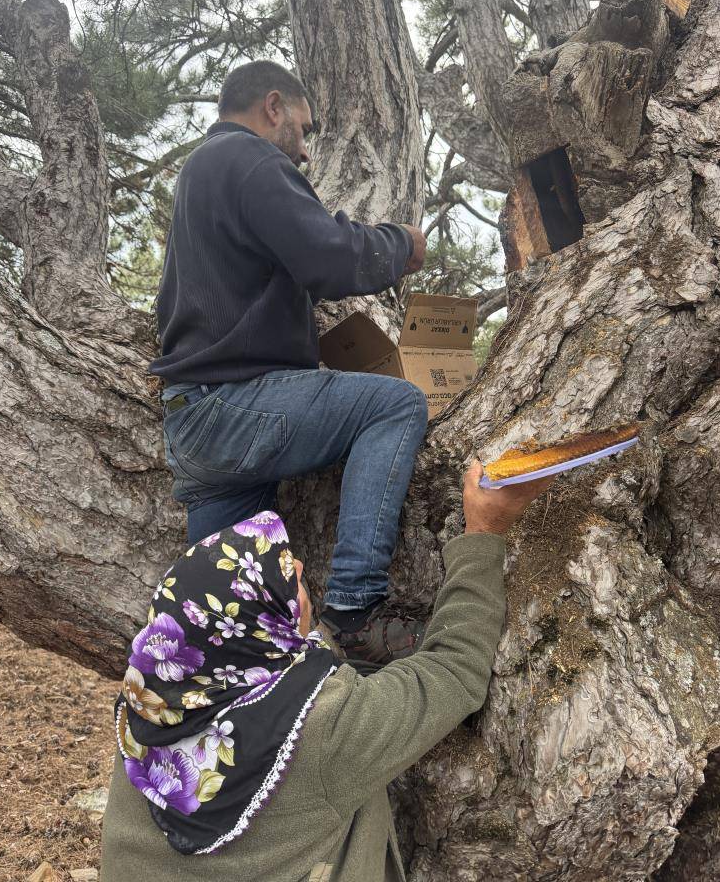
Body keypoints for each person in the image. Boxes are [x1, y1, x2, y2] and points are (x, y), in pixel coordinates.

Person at [100, 462, 551, 882]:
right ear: (269, 634)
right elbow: (454, 671)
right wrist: (484, 532)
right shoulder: (322, 731)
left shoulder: (149, 698)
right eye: (285, 578)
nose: (298, 565)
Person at [148, 59, 428, 667]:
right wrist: (400, 243)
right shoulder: (247, 158)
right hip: (234, 404)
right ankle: (354, 611)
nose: (304, 151)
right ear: (272, 107)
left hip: (193, 423)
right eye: (303, 129)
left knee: (231, 628)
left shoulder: (199, 176)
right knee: (395, 405)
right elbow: (328, 257)